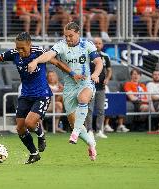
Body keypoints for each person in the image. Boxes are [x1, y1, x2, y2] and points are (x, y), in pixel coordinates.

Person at [0, 32, 82, 164]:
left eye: (22, 48)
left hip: (42, 94)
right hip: (25, 95)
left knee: (30, 123)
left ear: (30, 45)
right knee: (20, 128)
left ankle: (41, 135)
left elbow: (56, 62)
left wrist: (73, 74)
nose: (20, 50)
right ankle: (34, 153)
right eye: (17, 47)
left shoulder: (39, 52)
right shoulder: (14, 53)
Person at [28, 22, 103, 161]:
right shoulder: (61, 45)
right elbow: (49, 55)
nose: (68, 39)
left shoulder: (87, 45)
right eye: (66, 36)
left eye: (71, 36)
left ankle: (74, 133)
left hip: (86, 82)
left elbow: (99, 62)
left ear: (78, 33)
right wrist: (36, 61)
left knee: (83, 98)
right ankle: (91, 143)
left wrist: (96, 74)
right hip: (69, 86)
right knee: (75, 123)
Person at [85, 37, 112, 139]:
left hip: (101, 87)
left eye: (99, 43)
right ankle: (89, 130)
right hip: (89, 87)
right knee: (89, 109)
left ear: (102, 45)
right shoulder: (88, 56)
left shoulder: (105, 56)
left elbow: (109, 70)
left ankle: (100, 130)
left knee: (101, 110)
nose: (97, 45)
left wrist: (108, 79)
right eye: (95, 43)